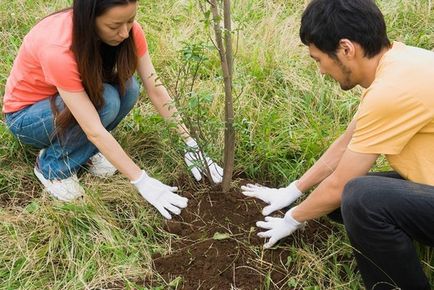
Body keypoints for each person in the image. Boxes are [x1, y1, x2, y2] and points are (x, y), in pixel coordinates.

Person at [242, 0, 434, 289]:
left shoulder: (391, 91)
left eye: (319, 59)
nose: (321, 71)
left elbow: (342, 181)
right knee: (341, 202)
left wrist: (292, 218)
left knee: (359, 198)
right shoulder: (400, 63)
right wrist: (293, 190)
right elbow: (347, 142)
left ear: (346, 49)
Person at [2, 0, 223, 220]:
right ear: (90, 20)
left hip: (66, 104)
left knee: (129, 88)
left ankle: (82, 151)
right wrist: (142, 180)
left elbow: (155, 88)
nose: (125, 33)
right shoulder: (58, 48)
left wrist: (189, 142)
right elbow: (94, 129)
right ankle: (52, 167)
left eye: (130, 21)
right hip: (27, 118)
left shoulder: (129, 32)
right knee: (107, 101)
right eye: (114, 26)